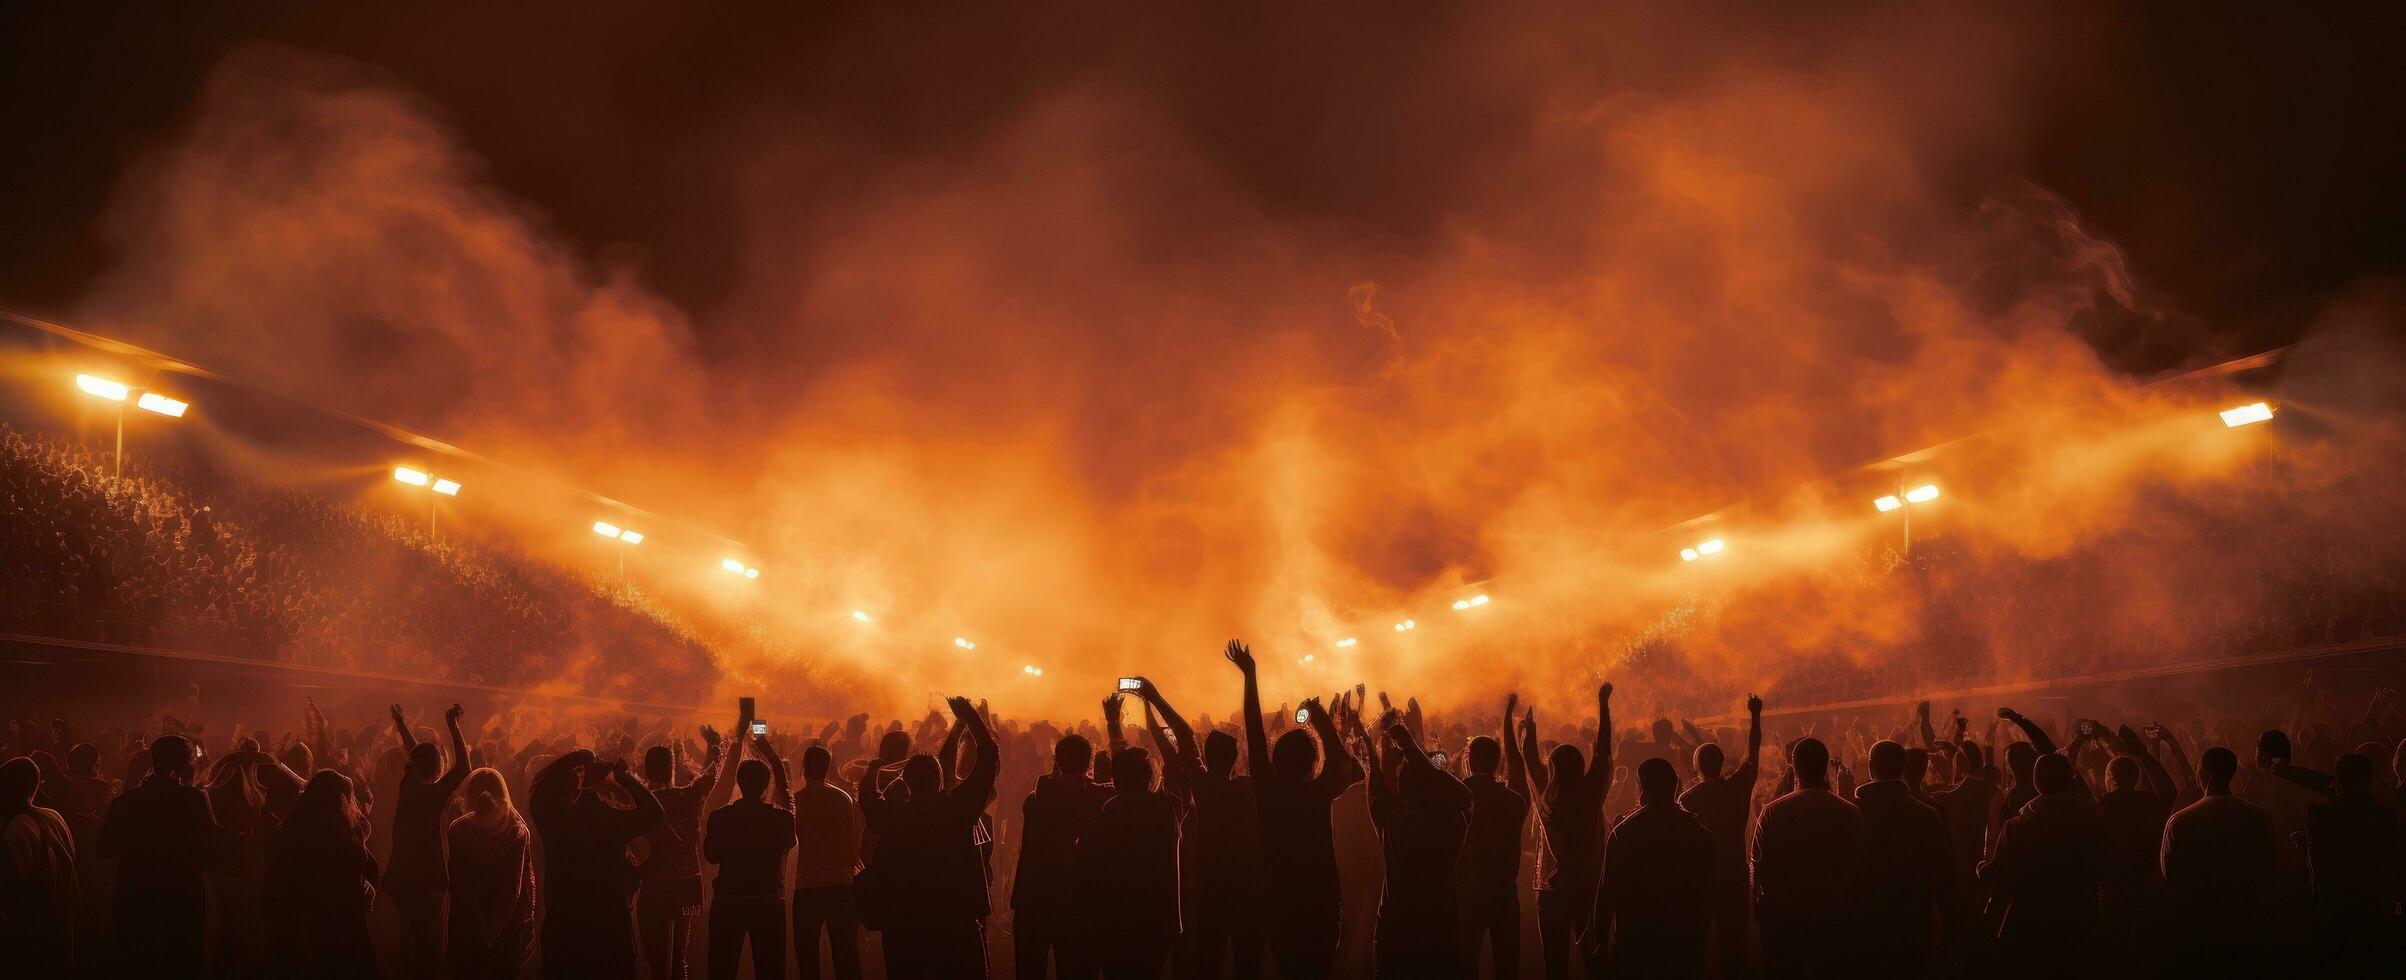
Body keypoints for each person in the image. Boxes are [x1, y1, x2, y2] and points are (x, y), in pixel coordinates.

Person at [1227, 639, 1360, 980]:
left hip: (1280, 898)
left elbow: (1255, 735)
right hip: (1322, 897)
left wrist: (1250, 674)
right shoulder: (1322, 794)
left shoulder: (1269, 794)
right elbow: (1343, 760)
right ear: (1314, 762)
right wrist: (1319, 720)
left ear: (1275, 759)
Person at [858, 695, 997, 980]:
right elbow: (988, 754)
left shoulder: (892, 818)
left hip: (904, 923)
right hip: (955, 922)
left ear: (906, 783)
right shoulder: (958, 810)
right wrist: (970, 716)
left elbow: (868, 797)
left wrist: (873, 770)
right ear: (940, 780)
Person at [1077, 680, 1195, 980]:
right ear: (1154, 779)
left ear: (1115, 780)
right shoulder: (1168, 811)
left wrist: (1114, 724)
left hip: (1110, 924)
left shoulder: (1095, 825)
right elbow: (1183, 748)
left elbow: (1083, 884)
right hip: (1158, 923)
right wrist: (1152, 700)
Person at [530, 747, 666, 980]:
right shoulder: (606, 820)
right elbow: (655, 813)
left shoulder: (552, 819)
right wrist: (622, 775)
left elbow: (539, 793)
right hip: (608, 930)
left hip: (564, 929)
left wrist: (576, 766)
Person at [96, 734, 217, 979]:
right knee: (182, 962)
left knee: (138, 962)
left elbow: (104, 849)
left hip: (135, 894)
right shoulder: (194, 800)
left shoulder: (127, 801)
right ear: (184, 765)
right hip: (182, 895)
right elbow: (213, 850)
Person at [1359, 713, 1470, 980]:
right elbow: (1455, 790)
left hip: (1398, 925)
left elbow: (1376, 786)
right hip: (1440, 922)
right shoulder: (1454, 820)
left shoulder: (1393, 822)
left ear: (1401, 788)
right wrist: (1412, 747)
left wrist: (1368, 744)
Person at [1519, 682, 1613, 980]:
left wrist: (1529, 731)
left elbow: (1530, 759)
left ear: (1554, 768)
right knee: (1594, 957)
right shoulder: (1592, 794)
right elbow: (1604, 749)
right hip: (1589, 884)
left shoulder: (1547, 798)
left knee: (1555, 962)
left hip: (1553, 887)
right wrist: (1603, 704)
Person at [1979, 752, 2105, 975]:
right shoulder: (2091, 822)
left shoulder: (2017, 827)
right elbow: (2102, 868)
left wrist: (1982, 870)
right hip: (2078, 920)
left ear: (2037, 780)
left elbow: (1999, 877)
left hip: (2028, 923)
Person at [1590, 757, 1713, 979]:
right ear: (1675, 785)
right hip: (1684, 938)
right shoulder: (1699, 832)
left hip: (1636, 938)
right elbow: (1708, 890)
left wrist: (1600, 937)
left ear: (1641, 788)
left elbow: (1607, 889)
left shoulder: (1624, 831)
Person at [1750, 737, 1858, 980]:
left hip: (1786, 917)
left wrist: (1758, 911)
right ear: (1825, 767)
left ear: (1794, 767)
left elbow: (1757, 865)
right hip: (1834, 914)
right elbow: (1858, 862)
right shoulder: (1849, 811)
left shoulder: (1773, 811)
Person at [2160, 746, 2275, 973]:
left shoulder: (2181, 821)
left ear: (2205, 772)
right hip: (2244, 916)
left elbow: (2168, 872)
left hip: (2198, 919)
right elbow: (2269, 862)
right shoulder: (2258, 816)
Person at [1014, 721, 1109, 980]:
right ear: (1087, 763)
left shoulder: (1035, 802)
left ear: (1056, 761)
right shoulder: (1097, 801)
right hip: (1077, 901)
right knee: (1076, 970)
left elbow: (1043, 790)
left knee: (1030, 970)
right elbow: (1116, 785)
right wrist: (1112, 726)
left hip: (1034, 898)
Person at [1849, 739, 1953, 976]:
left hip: (1865, 923)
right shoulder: (1927, 814)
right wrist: (1949, 925)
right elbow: (1945, 874)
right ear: (1902, 767)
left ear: (1870, 767)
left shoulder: (1850, 813)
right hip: (1913, 922)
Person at [263, 771, 380, 979]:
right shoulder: (345, 837)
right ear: (342, 799)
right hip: (342, 921)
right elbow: (369, 872)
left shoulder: (292, 829)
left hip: (301, 920)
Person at [1677, 693, 1761, 980]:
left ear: (1697, 767)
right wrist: (1755, 715)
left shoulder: (1687, 800)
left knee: (1698, 948)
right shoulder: (1737, 788)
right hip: (1735, 878)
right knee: (1734, 948)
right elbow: (1754, 752)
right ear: (1722, 763)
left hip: (1699, 883)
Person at [386, 701, 472, 979]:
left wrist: (401, 723)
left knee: (406, 946)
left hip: (401, 878)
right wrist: (452, 725)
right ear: (437, 766)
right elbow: (464, 768)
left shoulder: (408, 787)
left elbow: (414, 754)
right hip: (430, 881)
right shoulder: (434, 797)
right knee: (430, 951)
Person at [705, 738, 797, 980]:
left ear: (739, 783)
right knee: (771, 970)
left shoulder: (720, 817)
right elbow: (789, 840)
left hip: (729, 902)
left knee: (721, 970)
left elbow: (711, 856)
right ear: (766, 785)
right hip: (767, 902)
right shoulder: (782, 818)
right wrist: (767, 749)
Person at [1179, 724, 1265, 980]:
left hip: (1210, 886)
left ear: (1206, 757)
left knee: (1209, 957)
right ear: (1236, 757)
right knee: (1247, 962)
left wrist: (1154, 698)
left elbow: (1184, 738)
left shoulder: (1204, 787)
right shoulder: (1249, 790)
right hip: (1248, 887)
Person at [2299, 752, 2400, 968]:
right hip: (2375, 912)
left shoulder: (2319, 816)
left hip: (2333, 913)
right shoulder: (2386, 818)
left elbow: (2319, 867)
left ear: (2337, 779)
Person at [639, 725, 721, 980]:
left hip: (654, 886)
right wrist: (715, 747)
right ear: (672, 769)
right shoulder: (689, 796)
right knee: (679, 960)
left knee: (657, 963)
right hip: (685, 886)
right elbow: (710, 776)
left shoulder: (640, 803)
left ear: (646, 769)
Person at [1456, 695, 1530, 980]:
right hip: (1503, 891)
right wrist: (1508, 720)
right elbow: (1517, 765)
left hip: (1467, 891)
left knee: (1465, 963)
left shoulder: (1457, 795)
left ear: (1469, 759)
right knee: (1507, 964)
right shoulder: (1512, 800)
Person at [448, 766, 537, 980]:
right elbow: (515, 886)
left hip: (467, 922)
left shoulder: (459, 828)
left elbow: (455, 879)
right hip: (507, 927)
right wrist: (495, 929)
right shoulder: (516, 830)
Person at [791, 743, 864, 980]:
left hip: (808, 885)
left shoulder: (797, 801)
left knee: (807, 956)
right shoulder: (843, 798)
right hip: (841, 883)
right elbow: (851, 840)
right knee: (846, 955)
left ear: (804, 769)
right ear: (828, 768)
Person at [0, 755, 77, 977]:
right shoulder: (54, 817)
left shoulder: (16, 828)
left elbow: (13, 886)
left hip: (29, 929)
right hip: (61, 920)